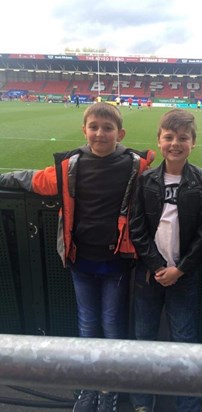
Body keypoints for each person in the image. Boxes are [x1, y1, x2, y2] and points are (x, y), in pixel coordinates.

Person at [0, 102, 154, 412]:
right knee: (87, 325)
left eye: (107, 128)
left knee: (111, 326)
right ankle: (88, 388)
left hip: (116, 263)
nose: (100, 133)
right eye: (94, 127)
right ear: (84, 130)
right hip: (80, 260)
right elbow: (33, 179)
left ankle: (108, 390)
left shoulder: (136, 167)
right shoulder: (70, 166)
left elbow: (164, 187)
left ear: (120, 133)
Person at [129, 109, 202, 412]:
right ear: (159, 140)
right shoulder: (145, 180)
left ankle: (187, 404)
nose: (175, 143)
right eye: (169, 137)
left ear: (193, 143)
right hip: (149, 275)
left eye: (183, 138)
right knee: (144, 337)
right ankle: (142, 401)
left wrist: (179, 270)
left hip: (183, 275)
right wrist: (157, 266)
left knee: (184, 340)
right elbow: (137, 228)